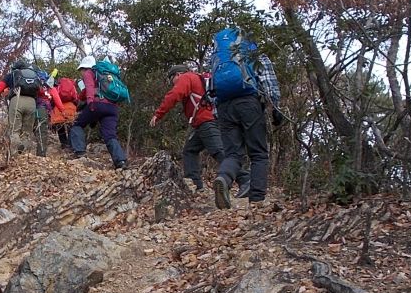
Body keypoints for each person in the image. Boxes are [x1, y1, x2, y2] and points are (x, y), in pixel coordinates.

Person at [150, 64, 249, 193]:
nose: (172, 83)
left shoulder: (186, 78)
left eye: (171, 79)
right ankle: (194, 185)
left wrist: (158, 114)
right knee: (190, 150)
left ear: (178, 74)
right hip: (206, 121)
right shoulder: (200, 77)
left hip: (206, 121)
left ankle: (245, 179)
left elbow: (174, 95)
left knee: (219, 151)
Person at [211, 44, 283, 210]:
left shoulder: (218, 56)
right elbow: (268, 81)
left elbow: (212, 86)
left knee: (233, 154)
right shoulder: (253, 52)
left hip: (224, 106)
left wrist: (217, 114)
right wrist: (276, 108)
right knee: (258, 153)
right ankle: (256, 200)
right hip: (249, 103)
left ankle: (224, 178)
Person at [69, 55, 128, 169]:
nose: (81, 73)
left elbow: (90, 88)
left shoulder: (89, 72)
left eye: (81, 70)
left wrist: (90, 102)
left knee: (76, 124)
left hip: (97, 104)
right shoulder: (104, 75)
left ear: (85, 68)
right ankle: (120, 161)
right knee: (110, 135)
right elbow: (85, 91)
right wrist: (81, 98)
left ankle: (80, 152)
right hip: (112, 108)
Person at [0, 59, 41, 154]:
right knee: (27, 132)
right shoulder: (34, 75)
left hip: (17, 100)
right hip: (32, 103)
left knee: (14, 130)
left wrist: (6, 91)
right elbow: (40, 91)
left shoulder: (12, 75)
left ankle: (15, 154)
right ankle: (24, 154)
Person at [50, 75, 79, 150]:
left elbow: (53, 99)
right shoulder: (72, 86)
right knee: (70, 127)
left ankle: (64, 145)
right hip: (70, 107)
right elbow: (76, 98)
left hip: (58, 109)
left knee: (60, 128)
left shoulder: (57, 86)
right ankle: (71, 145)